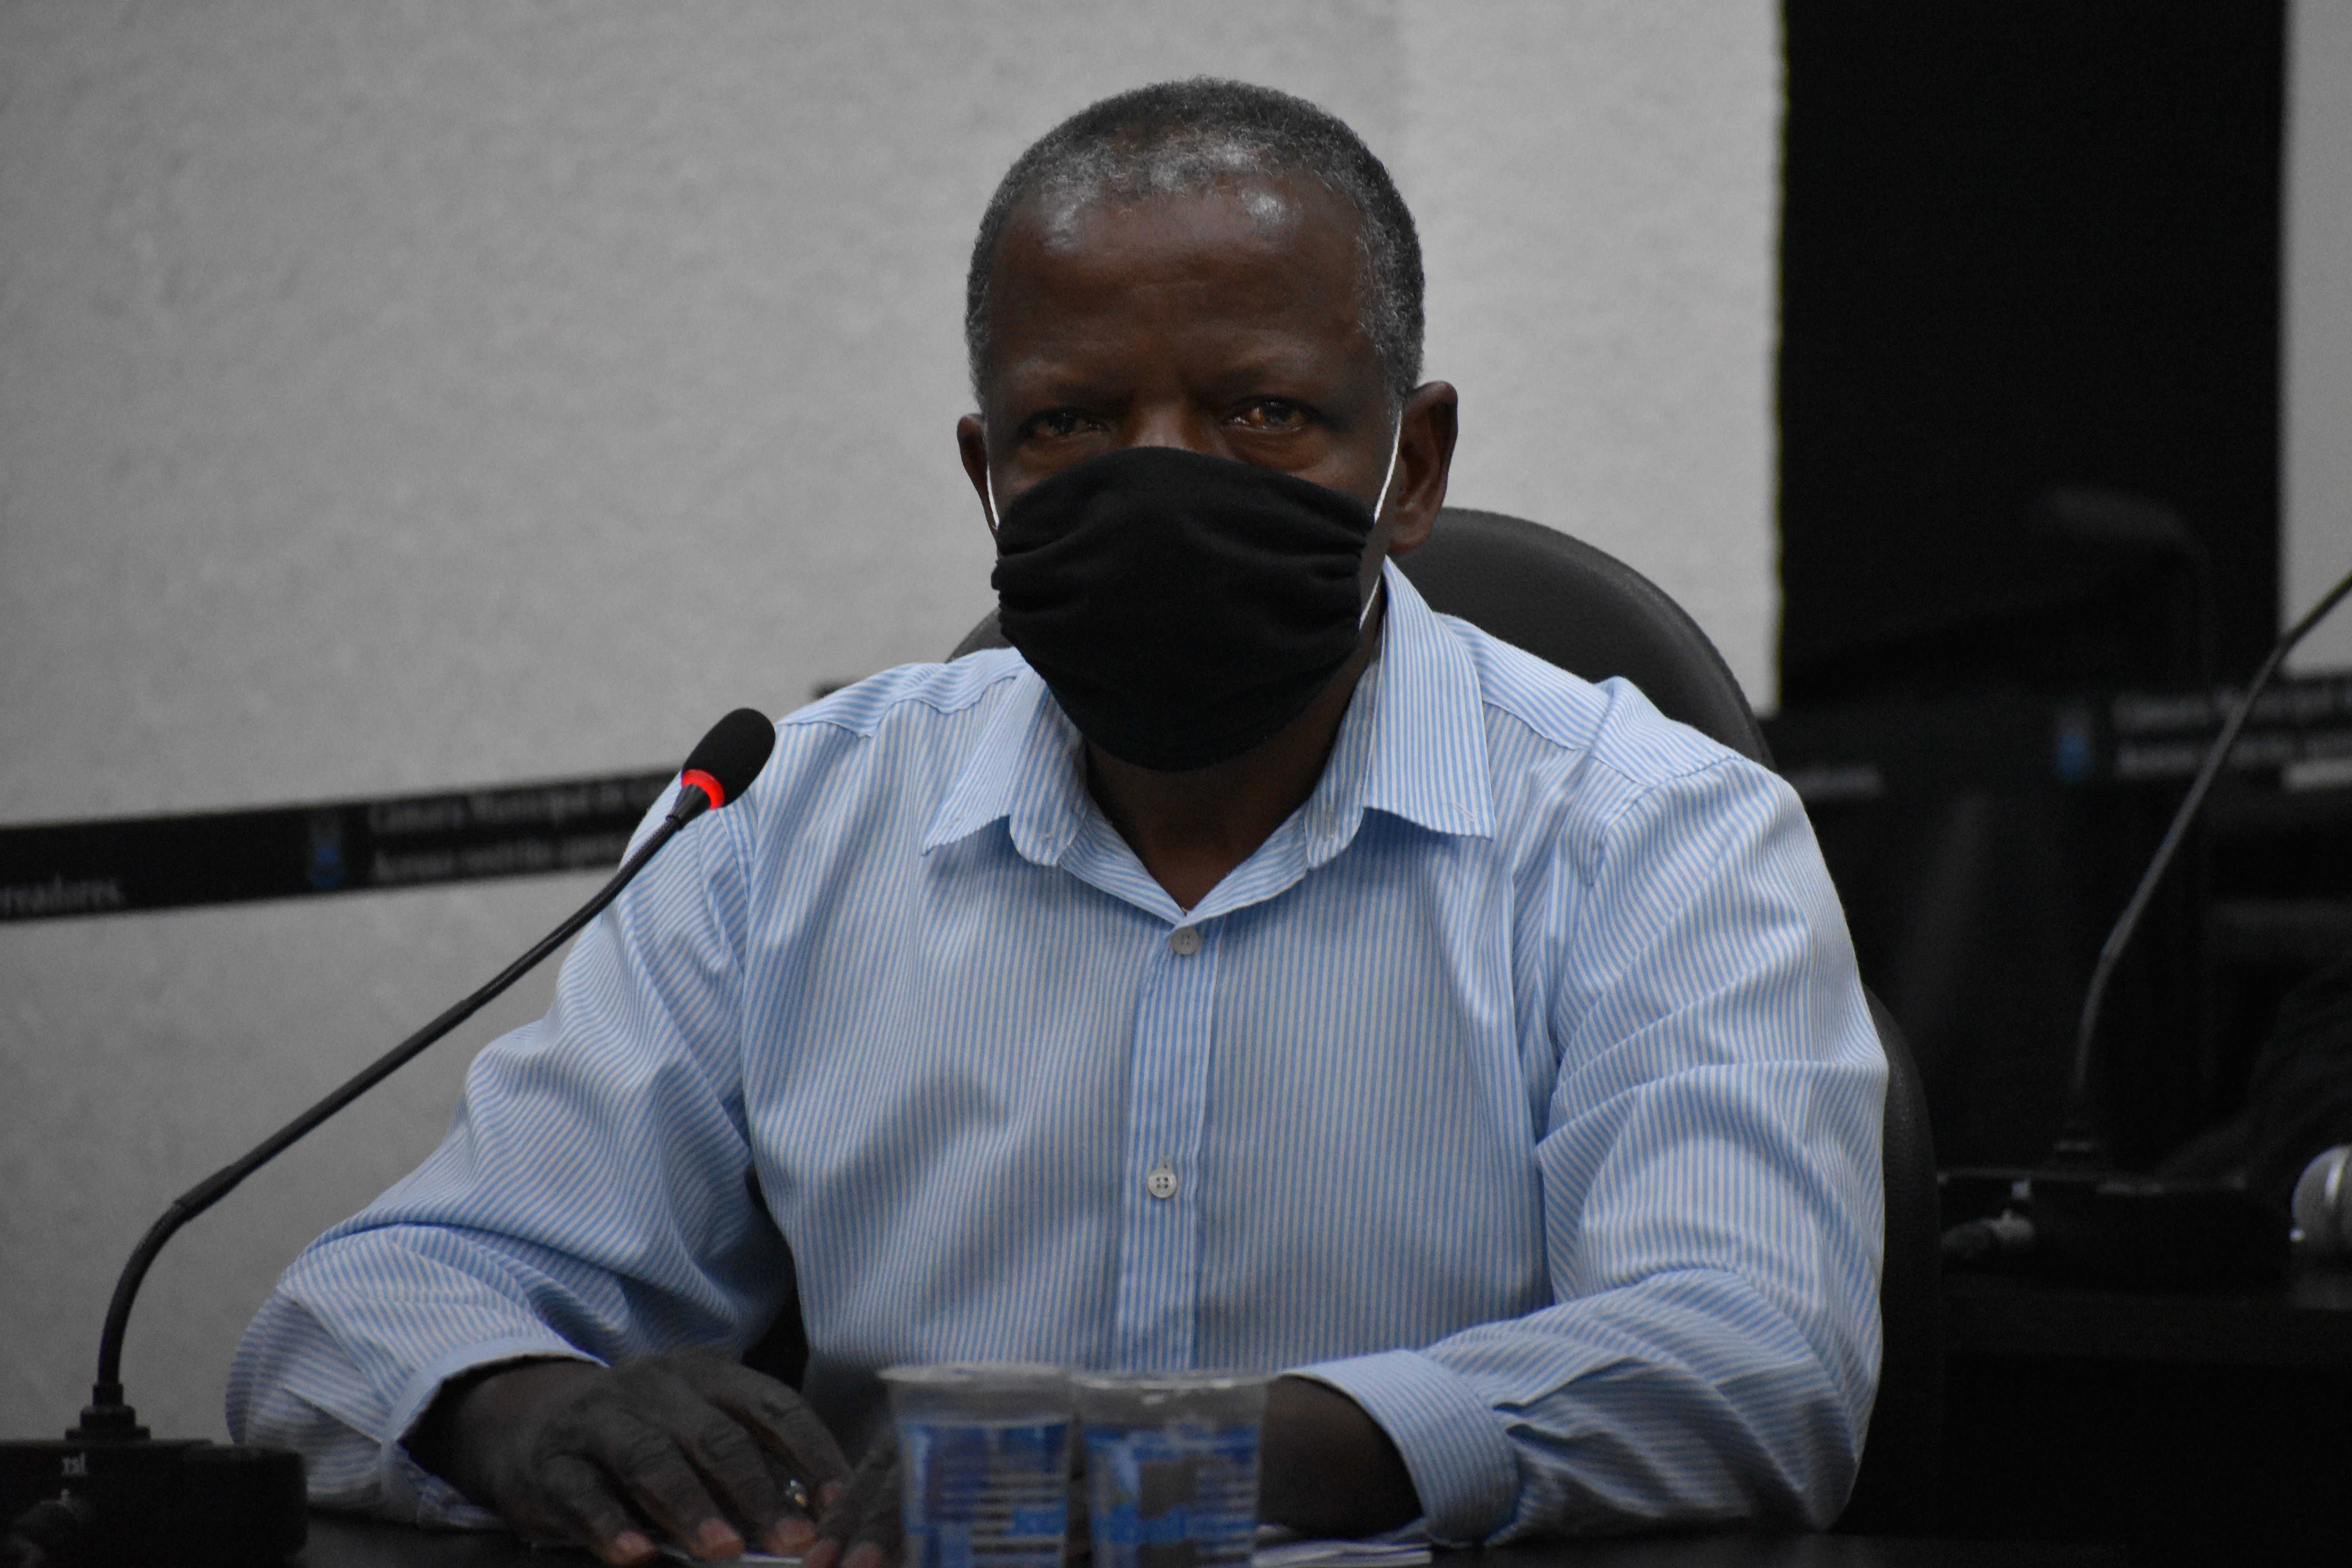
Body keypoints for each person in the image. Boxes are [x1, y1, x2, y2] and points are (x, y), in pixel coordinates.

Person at [230, 78, 1886, 1566]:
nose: (1160, 479)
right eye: (1071, 426)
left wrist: (1215, 1457)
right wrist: (520, 1411)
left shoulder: (1656, 837)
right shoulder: (780, 826)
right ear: (987, 472)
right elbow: (356, 1315)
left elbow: (1754, 1360)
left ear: (1416, 463)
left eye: (1261, 412)